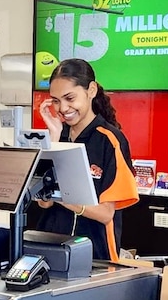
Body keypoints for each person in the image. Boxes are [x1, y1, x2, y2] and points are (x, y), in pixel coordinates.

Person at [37, 59, 139, 261]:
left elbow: (106, 214)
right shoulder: (57, 136)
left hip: (95, 256)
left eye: (69, 98)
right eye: (56, 101)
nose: (63, 108)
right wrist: (54, 139)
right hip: (52, 249)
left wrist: (67, 198)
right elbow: (44, 204)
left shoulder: (110, 140)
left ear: (91, 90)